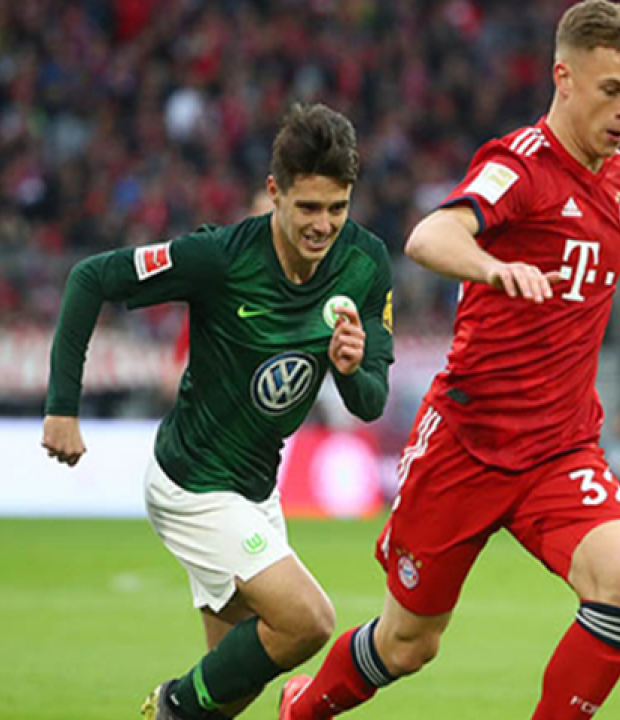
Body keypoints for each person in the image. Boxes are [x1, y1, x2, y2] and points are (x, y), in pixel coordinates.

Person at [278, 2, 620, 718]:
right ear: (564, 79)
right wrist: (491, 267)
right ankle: (301, 710)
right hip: (467, 445)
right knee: (407, 645)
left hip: (560, 448)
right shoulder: (521, 167)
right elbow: (429, 237)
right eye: (611, 89)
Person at [41, 103, 395, 719]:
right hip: (193, 484)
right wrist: (61, 409)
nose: (323, 225)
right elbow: (90, 278)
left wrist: (350, 367)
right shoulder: (222, 258)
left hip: (257, 489)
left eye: (337, 208)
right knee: (308, 620)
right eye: (308, 207)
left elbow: (371, 403)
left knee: (234, 685)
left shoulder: (365, 265)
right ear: (274, 193)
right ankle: (170, 705)